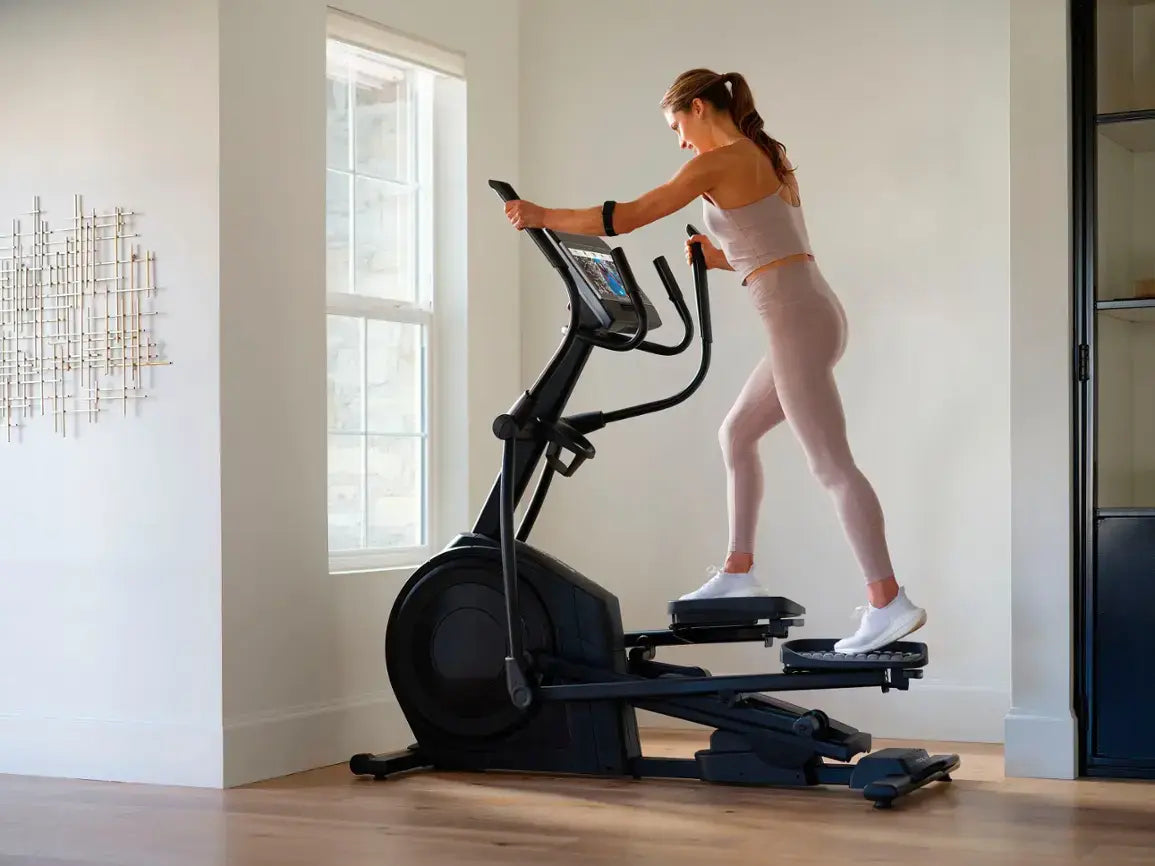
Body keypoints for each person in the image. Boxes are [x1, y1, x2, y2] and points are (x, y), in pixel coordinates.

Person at [502, 68, 925, 654]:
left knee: (831, 465)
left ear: (698, 108)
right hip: (810, 311)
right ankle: (738, 569)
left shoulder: (717, 161)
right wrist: (721, 256)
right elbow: (776, 245)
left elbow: (624, 217)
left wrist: (540, 214)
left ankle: (887, 601)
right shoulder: (763, 155)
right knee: (737, 434)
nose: (678, 140)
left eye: (676, 125)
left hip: (796, 322)